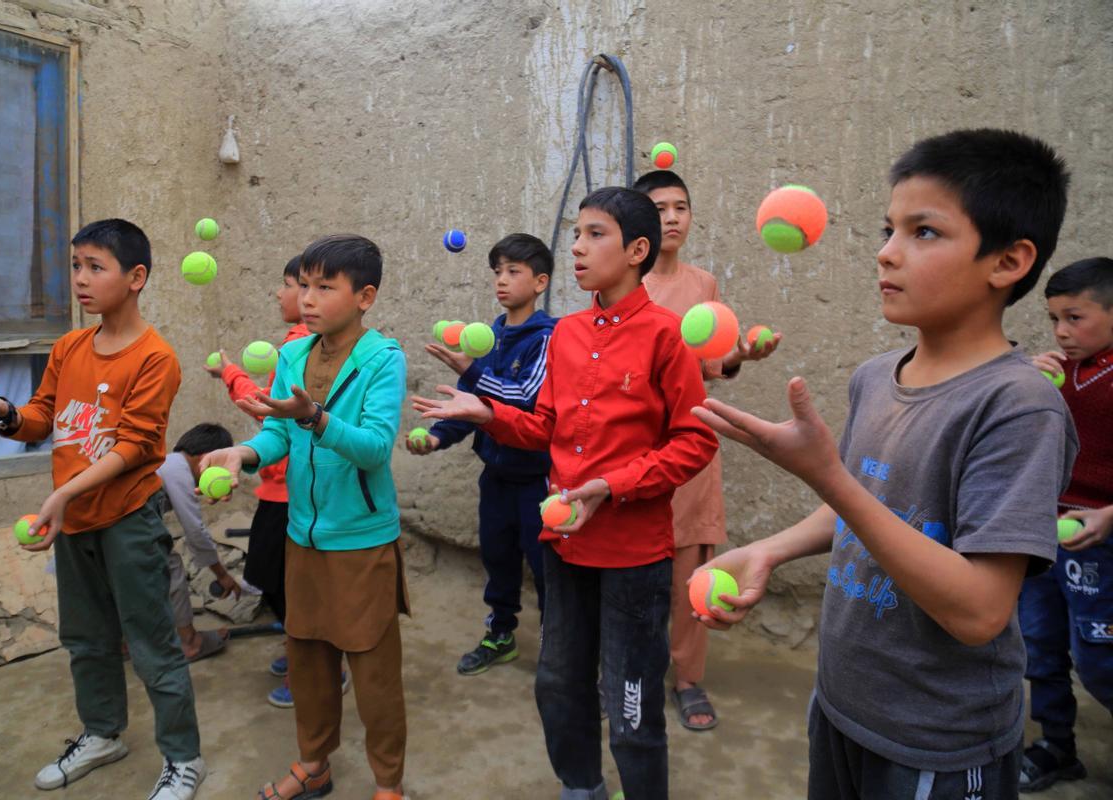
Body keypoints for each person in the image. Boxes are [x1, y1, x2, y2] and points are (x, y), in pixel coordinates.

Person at [691, 129, 1075, 799]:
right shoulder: (875, 377)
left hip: (939, 743)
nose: (886, 253)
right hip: (843, 706)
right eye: (887, 228)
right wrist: (769, 551)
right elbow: (870, 500)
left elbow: (981, 612)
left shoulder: (1017, 408)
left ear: (1009, 261)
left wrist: (825, 474)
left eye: (923, 232)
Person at [413, 187, 719, 800]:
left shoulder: (665, 336)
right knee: (557, 684)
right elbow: (545, 428)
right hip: (564, 544)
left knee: (631, 707)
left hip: (634, 555)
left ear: (636, 250)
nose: (576, 247)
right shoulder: (570, 333)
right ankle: (581, 787)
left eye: (594, 235)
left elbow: (695, 440)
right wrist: (488, 413)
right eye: (576, 234)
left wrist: (613, 487)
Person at [0, 218, 205, 799]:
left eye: (96, 267)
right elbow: (42, 417)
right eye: (76, 266)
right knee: (86, 641)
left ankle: (184, 758)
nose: (81, 280)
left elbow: (137, 445)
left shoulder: (156, 357)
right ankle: (103, 733)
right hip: (75, 521)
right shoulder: (69, 346)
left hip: (127, 522)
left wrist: (63, 493)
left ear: (136, 278)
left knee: (152, 645)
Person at [198, 235, 410, 800]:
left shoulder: (383, 360)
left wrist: (315, 417)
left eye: (324, 287)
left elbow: (373, 447)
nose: (307, 298)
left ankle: (388, 784)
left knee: (374, 676)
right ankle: (314, 764)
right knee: (309, 661)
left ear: (365, 296)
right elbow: (276, 434)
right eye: (304, 285)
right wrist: (243, 454)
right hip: (303, 537)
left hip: (362, 541)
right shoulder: (292, 354)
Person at [633, 169, 781, 731]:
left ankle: (689, 679)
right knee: (630, 575)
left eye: (681, 207)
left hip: (690, 450)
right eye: (659, 207)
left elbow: (714, 365)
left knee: (691, 573)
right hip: (633, 454)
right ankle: (625, 673)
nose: (672, 217)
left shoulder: (704, 284)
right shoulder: (623, 285)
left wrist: (741, 353)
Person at [407, 233, 556, 675]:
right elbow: (470, 404)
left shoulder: (550, 336)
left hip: (539, 481)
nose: (502, 281)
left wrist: (469, 369)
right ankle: (500, 635)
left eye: (514, 271)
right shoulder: (487, 337)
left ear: (541, 281)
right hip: (495, 476)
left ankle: (557, 651)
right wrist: (436, 437)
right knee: (498, 559)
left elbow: (527, 398)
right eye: (497, 272)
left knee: (549, 571)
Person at [1020, 256, 1113, 792]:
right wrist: (1028, 384)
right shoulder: (1058, 371)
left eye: (1075, 318)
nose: (1061, 331)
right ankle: (1057, 746)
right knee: (1039, 644)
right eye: (1054, 318)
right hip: (1045, 534)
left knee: (1100, 660)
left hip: (1098, 544)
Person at [203, 254, 312, 706]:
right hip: (277, 485)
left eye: (288, 284)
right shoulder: (293, 344)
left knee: (287, 585)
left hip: (291, 492)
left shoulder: (301, 345)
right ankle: (299, 649)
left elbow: (266, 405)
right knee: (276, 580)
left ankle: (317, 667)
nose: (280, 293)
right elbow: (274, 423)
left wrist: (230, 373)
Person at [157, 422, 242, 662]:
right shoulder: (178, 469)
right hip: (123, 528)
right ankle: (189, 642)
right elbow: (194, 530)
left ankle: (122, 644)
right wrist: (221, 573)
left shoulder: (169, 462)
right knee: (168, 566)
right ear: (207, 459)